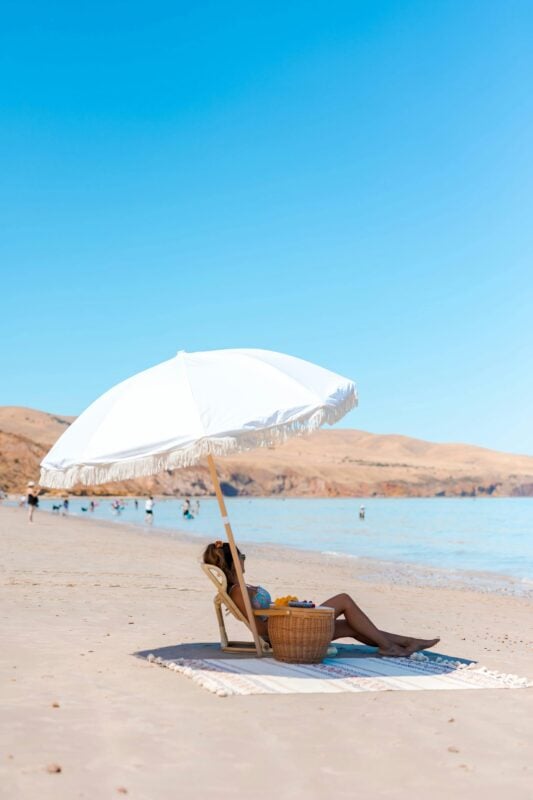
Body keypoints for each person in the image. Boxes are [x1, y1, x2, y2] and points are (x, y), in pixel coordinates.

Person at [203, 542, 439, 657]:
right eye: (242, 555)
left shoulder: (241, 588)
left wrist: (287, 607)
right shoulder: (238, 592)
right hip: (284, 633)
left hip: (286, 624)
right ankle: (389, 646)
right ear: (233, 562)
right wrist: (288, 614)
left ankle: (408, 642)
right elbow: (261, 627)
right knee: (344, 600)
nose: (245, 559)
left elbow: (262, 614)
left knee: (351, 626)